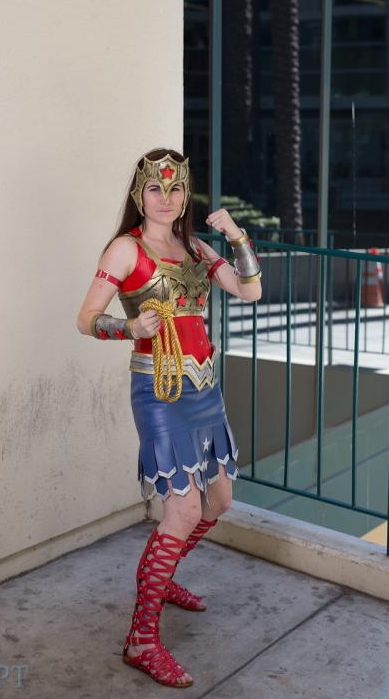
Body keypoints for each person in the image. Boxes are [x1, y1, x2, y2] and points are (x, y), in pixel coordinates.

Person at [77, 148, 262, 688]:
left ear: (186, 193)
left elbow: (250, 291)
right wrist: (126, 328)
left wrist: (237, 236)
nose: (166, 198)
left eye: (175, 188)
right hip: (157, 388)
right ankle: (141, 639)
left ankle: (166, 572)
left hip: (205, 387)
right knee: (180, 512)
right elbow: (86, 318)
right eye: (155, 189)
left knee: (220, 499)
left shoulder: (195, 246)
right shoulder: (125, 248)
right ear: (140, 195)